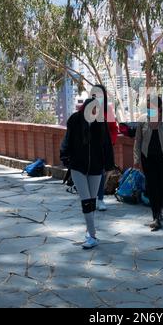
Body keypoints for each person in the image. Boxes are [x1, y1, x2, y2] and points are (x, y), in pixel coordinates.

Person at [60, 98, 115, 249]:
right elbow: (67, 140)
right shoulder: (75, 120)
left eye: (96, 109)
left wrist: (110, 166)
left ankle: (88, 231)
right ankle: (93, 235)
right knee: (86, 201)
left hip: (96, 168)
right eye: (92, 109)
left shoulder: (101, 123)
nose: (94, 112)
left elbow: (107, 145)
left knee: (92, 201)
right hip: (78, 167)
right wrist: (64, 157)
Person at [134, 96, 163, 232]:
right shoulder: (142, 121)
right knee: (152, 186)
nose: (149, 111)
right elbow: (137, 141)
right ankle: (156, 216)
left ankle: (158, 211)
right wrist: (136, 160)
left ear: (159, 109)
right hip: (147, 158)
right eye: (147, 108)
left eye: (151, 108)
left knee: (160, 185)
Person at [90, 85, 119, 211]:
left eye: (101, 95)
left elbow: (114, 129)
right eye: (96, 95)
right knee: (91, 174)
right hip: (90, 148)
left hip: (103, 148)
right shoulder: (86, 109)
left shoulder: (108, 109)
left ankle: (100, 199)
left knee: (102, 173)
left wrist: (111, 141)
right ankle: (91, 197)